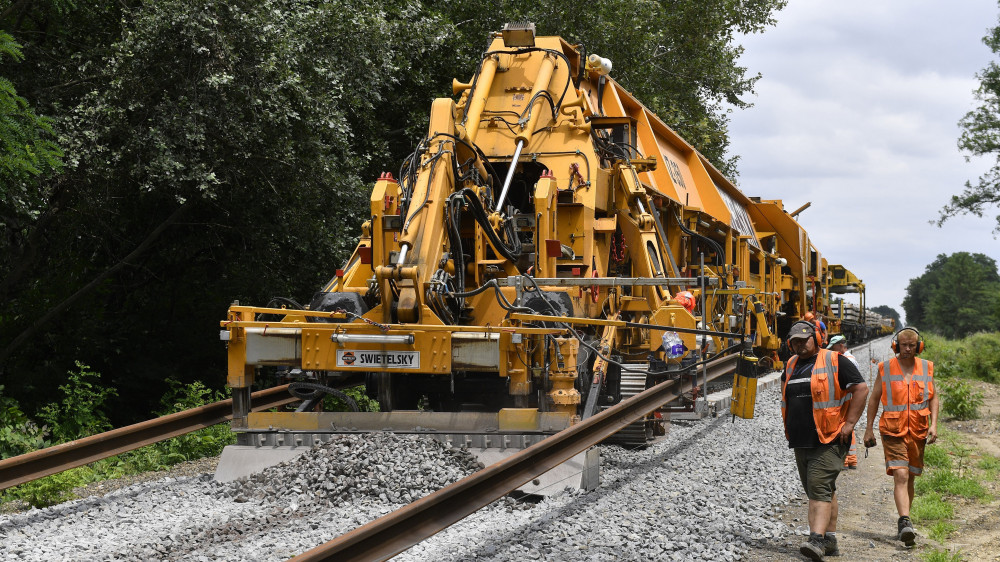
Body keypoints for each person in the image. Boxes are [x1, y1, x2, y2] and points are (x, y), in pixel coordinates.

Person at [781, 321, 869, 561]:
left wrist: (850, 424)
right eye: (795, 341)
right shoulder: (790, 365)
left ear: (816, 338)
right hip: (801, 439)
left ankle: (816, 540)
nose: (800, 344)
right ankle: (830, 540)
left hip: (829, 437)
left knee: (818, 487)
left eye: (804, 339)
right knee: (822, 489)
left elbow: (860, 388)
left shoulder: (835, 360)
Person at [863, 327, 939, 547]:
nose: (907, 348)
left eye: (912, 345)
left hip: (918, 429)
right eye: (903, 344)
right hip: (893, 430)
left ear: (919, 346)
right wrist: (868, 428)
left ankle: (907, 521)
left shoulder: (926, 367)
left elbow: (933, 397)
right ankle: (904, 521)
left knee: (911, 478)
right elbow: (874, 399)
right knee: (901, 475)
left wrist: (934, 424)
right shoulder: (885, 368)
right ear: (896, 345)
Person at [827, 334, 860, 469]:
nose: (831, 351)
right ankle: (851, 459)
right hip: (849, 397)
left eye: (833, 348)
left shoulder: (847, 360)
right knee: (847, 426)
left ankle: (845, 460)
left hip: (846, 398)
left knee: (843, 426)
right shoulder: (850, 358)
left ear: (841, 345)